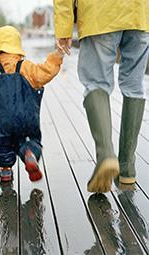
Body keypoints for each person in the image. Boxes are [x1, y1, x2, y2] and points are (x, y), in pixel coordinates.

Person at [54, 0, 149, 192]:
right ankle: (127, 168)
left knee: (96, 82)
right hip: (139, 13)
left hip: (99, 13)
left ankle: (106, 154)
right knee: (134, 85)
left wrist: (64, 28)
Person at [0, 25, 64, 183]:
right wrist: (57, 56)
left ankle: (5, 171)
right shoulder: (27, 67)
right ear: (18, 48)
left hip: (3, 121)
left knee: (4, 143)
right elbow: (46, 72)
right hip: (27, 118)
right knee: (32, 140)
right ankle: (29, 153)